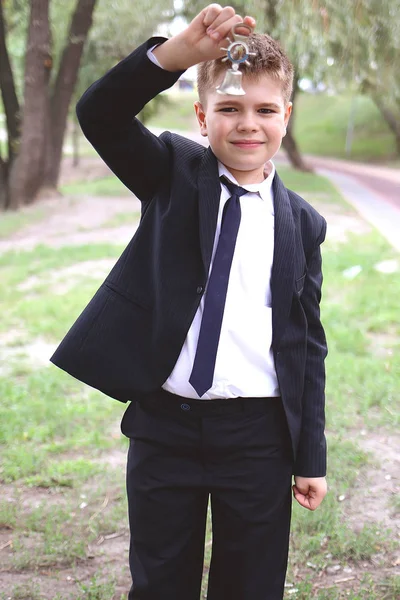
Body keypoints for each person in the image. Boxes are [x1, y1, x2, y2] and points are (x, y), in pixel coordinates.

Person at [51, 4, 328, 599]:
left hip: (258, 434)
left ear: (286, 116)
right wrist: (176, 55)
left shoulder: (304, 224)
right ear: (203, 117)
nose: (247, 124)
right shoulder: (173, 175)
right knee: (158, 582)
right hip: (165, 427)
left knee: (250, 586)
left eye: (264, 110)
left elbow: (306, 344)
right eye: (229, 109)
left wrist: (311, 456)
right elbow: (98, 113)